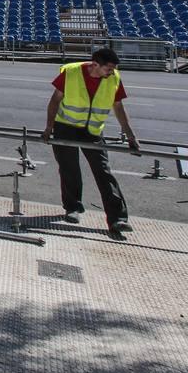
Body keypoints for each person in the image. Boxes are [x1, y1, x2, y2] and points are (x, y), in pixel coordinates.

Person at [42, 47, 141, 234]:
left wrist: (130, 136)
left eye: (112, 69)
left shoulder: (113, 78)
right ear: (95, 65)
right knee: (69, 168)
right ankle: (72, 208)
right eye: (108, 69)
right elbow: (54, 101)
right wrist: (49, 128)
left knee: (103, 171)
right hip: (66, 127)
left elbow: (119, 108)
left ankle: (117, 218)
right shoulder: (71, 73)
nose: (111, 72)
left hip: (93, 130)